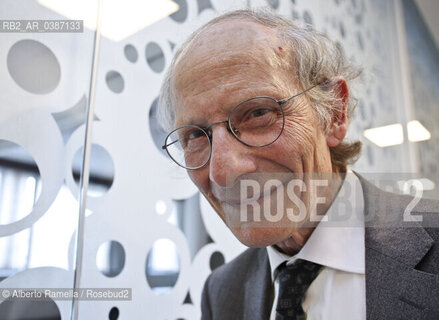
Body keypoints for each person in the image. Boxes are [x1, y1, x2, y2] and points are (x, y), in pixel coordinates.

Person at [158, 9, 439, 320]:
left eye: (257, 114)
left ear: (334, 114)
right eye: (195, 136)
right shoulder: (222, 291)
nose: (223, 172)